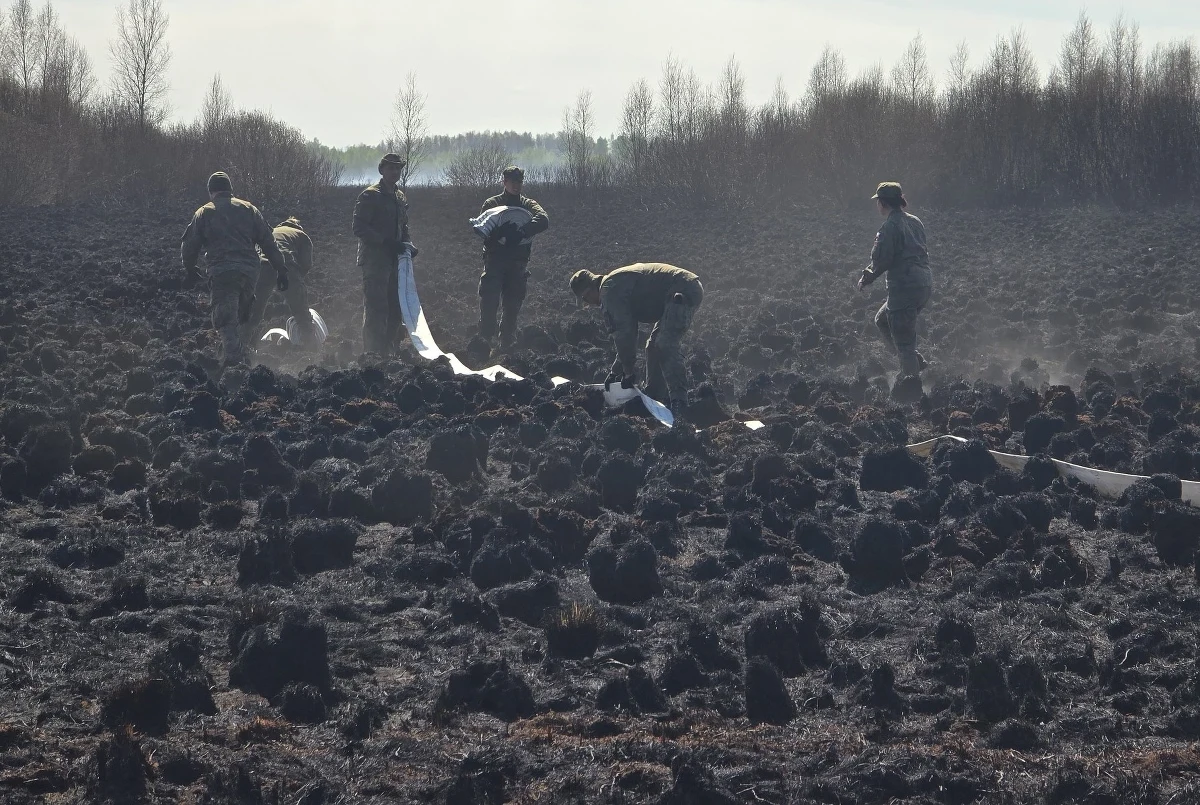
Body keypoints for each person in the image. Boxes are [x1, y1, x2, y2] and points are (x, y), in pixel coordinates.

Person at [181, 171, 289, 369]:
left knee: (225, 320)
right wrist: (281, 269)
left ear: (211, 192)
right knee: (241, 317)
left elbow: (189, 246)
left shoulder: (204, 212)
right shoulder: (249, 209)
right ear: (230, 190)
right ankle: (241, 356)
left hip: (223, 272)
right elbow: (269, 242)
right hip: (249, 272)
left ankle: (236, 366)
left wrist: (189, 268)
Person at [570, 263, 703, 420]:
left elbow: (624, 334)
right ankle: (654, 397)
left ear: (590, 289)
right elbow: (628, 332)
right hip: (679, 289)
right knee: (652, 347)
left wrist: (628, 371)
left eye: (585, 299)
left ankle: (679, 402)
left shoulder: (609, 292)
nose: (588, 304)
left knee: (665, 344)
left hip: (683, 290)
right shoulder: (612, 286)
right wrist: (616, 370)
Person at [857, 181, 933, 380]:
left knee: (904, 342)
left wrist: (866, 278)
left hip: (904, 288)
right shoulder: (915, 221)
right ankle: (915, 360)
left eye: (878, 201)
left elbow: (881, 259)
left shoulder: (889, 227)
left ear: (883, 203)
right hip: (924, 284)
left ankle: (910, 389)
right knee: (882, 320)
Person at [353, 152, 417, 356]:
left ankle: (389, 349)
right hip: (375, 261)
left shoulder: (399, 197)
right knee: (376, 307)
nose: (395, 172)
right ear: (382, 170)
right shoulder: (370, 196)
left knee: (395, 307)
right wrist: (385, 242)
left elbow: (403, 226)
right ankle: (373, 353)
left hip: (395, 260)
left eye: (398, 168)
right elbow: (359, 227)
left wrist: (408, 245)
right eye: (391, 168)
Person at [478, 166, 549, 348]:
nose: (516, 186)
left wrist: (521, 231)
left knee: (512, 306)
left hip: (517, 263)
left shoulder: (527, 204)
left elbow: (543, 219)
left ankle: (506, 344)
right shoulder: (492, 203)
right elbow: (482, 226)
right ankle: (485, 342)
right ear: (505, 182)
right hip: (495, 261)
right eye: (512, 182)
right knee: (489, 302)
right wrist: (499, 232)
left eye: (519, 182)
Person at [247, 216, 316, 347]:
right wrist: (295, 286)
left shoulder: (271, 231)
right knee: (301, 311)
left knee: (253, 311)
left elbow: (255, 253)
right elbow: (306, 264)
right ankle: (310, 347)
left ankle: (243, 347)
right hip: (287, 266)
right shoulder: (301, 235)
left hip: (263, 268)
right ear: (298, 227)